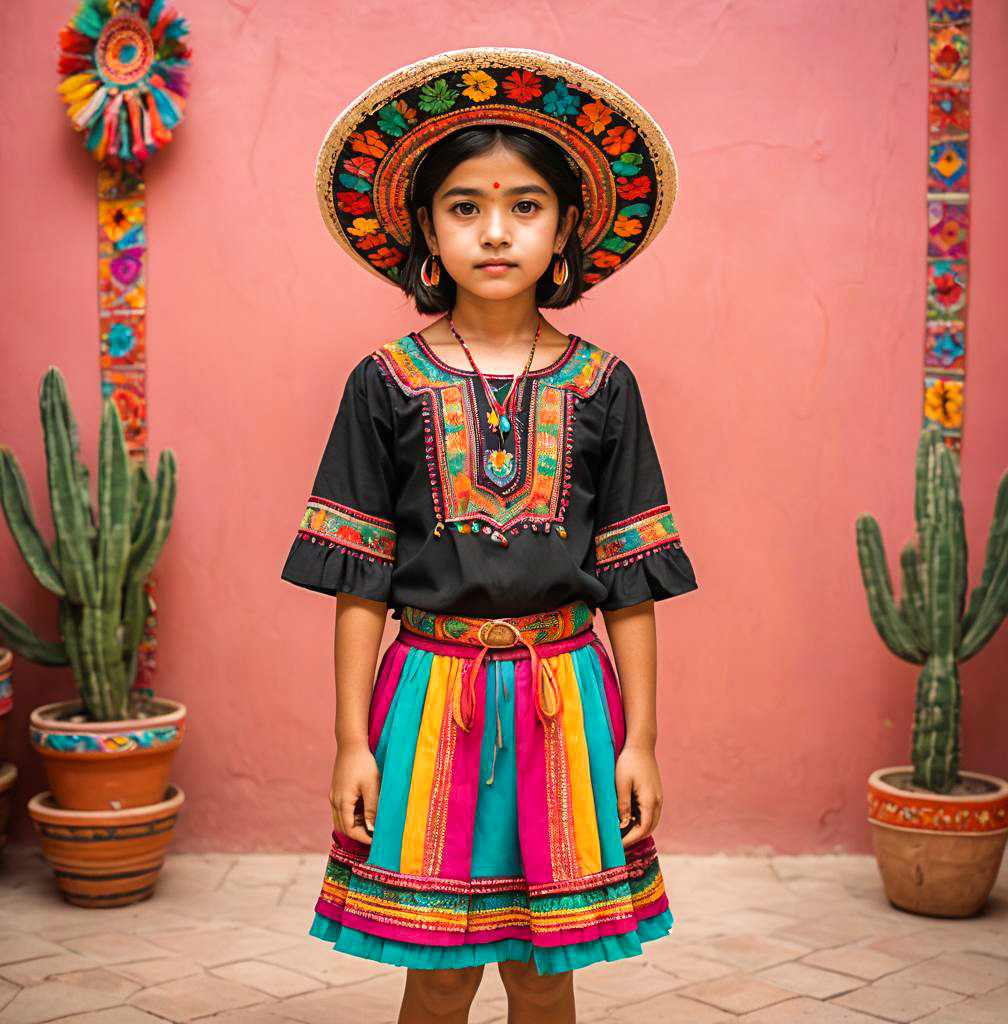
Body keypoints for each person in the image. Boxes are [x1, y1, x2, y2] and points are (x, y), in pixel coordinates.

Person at [281, 47, 698, 1024]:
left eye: (524, 206)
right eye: (465, 206)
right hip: (426, 701)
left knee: (545, 974)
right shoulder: (383, 381)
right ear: (426, 232)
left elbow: (629, 577)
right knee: (435, 973)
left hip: (569, 701)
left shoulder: (604, 386)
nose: (495, 230)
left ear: (564, 234)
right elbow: (361, 578)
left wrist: (642, 739)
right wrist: (352, 740)